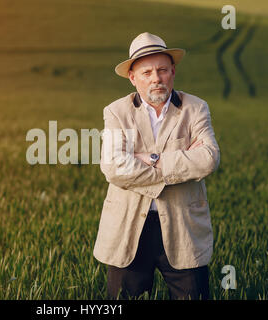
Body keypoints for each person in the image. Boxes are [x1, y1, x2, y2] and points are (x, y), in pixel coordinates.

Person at [93, 32, 220, 300]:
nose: (156, 78)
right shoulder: (116, 112)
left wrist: (147, 159)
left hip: (183, 226)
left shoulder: (196, 109)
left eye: (162, 70)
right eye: (147, 72)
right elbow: (114, 167)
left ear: (173, 71)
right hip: (129, 228)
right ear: (132, 77)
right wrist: (181, 161)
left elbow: (208, 158)